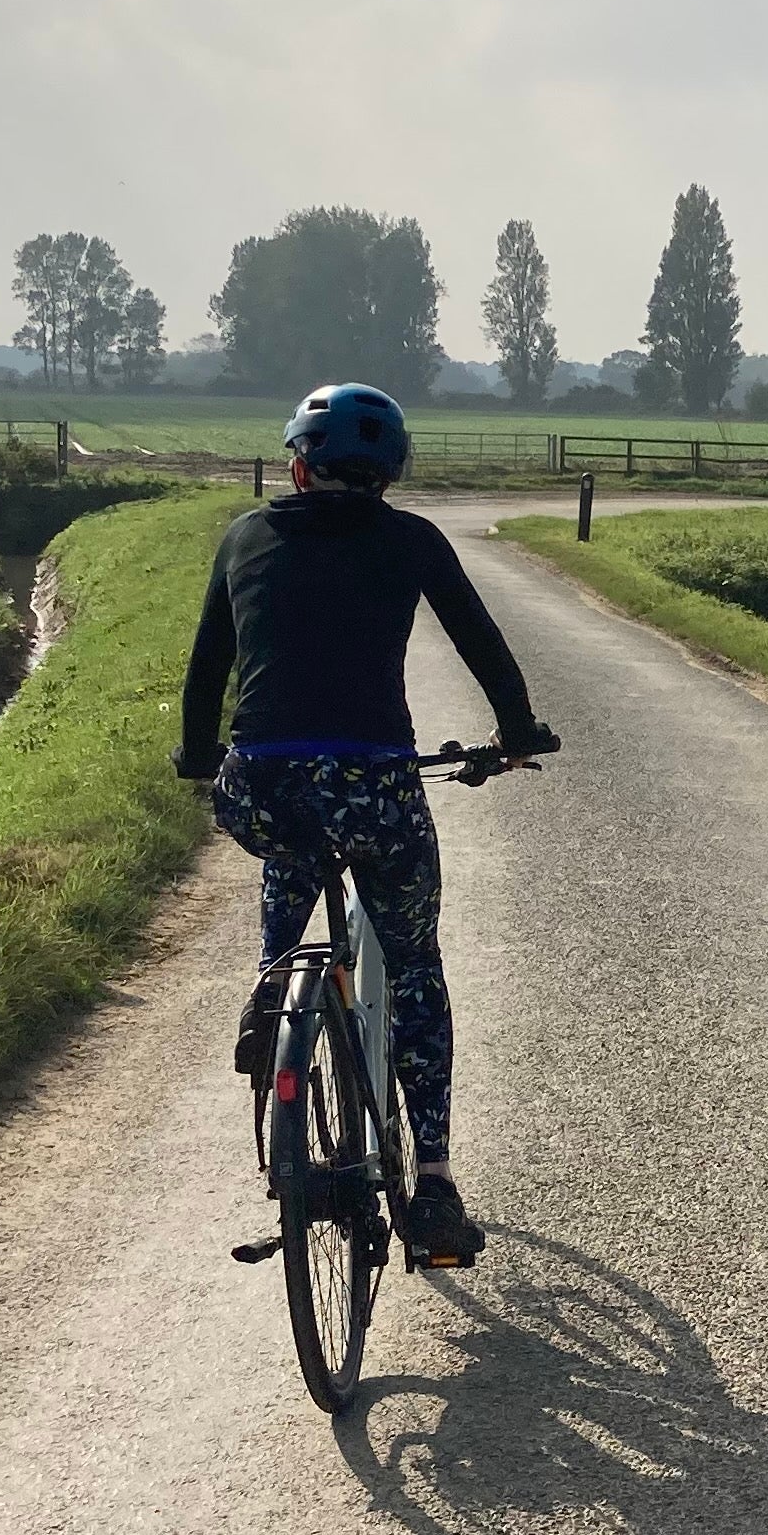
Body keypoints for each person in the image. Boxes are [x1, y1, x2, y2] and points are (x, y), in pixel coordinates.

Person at [176, 382, 555, 1266]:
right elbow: (485, 648)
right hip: (374, 784)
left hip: (260, 784)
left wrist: (200, 759)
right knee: (414, 962)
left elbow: (206, 674)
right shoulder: (413, 540)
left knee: (290, 853)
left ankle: (274, 989)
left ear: (297, 463)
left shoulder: (244, 536)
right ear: (389, 474)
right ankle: (435, 1188)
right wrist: (516, 733)